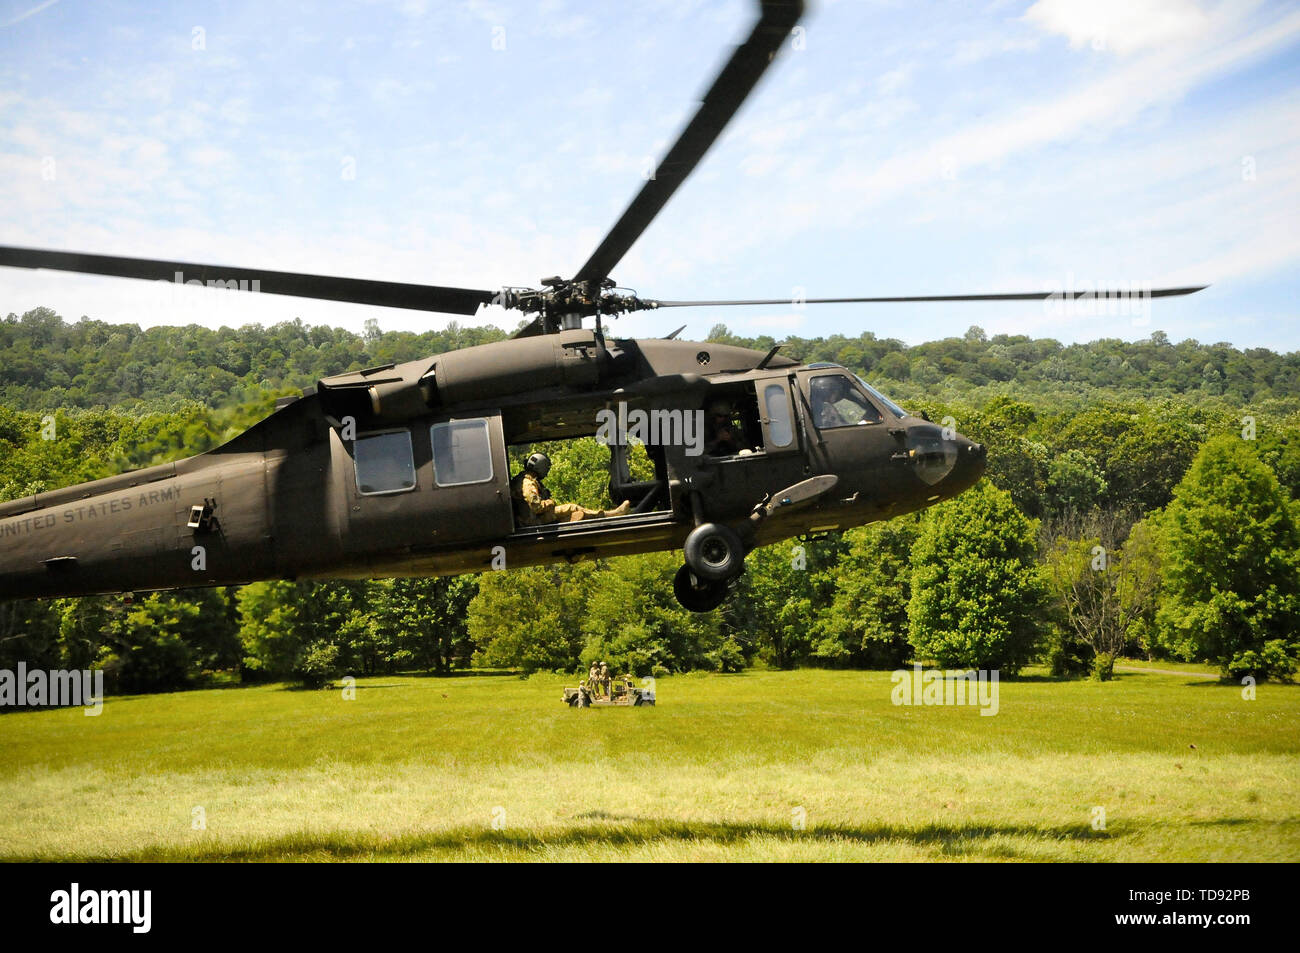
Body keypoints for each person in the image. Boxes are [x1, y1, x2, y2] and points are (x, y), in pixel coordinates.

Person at [510, 452, 631, 526]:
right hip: (533, 521)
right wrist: (550, 503)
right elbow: (536, 507)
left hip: (528, 520)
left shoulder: (522, 480)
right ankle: (609, 514)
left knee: (578, 514)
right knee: (572, 507)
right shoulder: (528, 483)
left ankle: (580, 518)